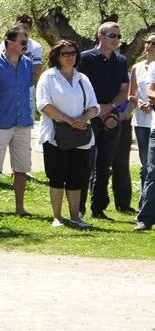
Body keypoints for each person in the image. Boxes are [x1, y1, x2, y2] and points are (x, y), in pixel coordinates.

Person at [36, 40, 99, 228]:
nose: (70, 56)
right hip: (55, 136)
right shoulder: (48, 77)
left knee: (76, 178)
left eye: (72, 53)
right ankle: (57, 217)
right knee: (56, 177)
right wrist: (68, 119)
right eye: (65, 53)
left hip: (80, 137)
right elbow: (43, 105)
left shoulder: (83, 79)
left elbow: (94, 107)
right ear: (57, 56)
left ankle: (75, 217)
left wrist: (83, 118)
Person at [77, 22, 132, 218]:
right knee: (86, 161)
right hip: (89, 115)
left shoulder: (120, 60)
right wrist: (97, 110)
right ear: (100, 36)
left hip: (111, 115)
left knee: (104, 163)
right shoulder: (85, 58)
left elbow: (124, 91)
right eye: (112, 35)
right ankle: (79, 208)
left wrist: (110, 108)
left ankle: (98, 209)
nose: (116, 39)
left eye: (118, 36)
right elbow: (79, 87)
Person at [0, 27, 34, 216]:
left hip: (23, 122)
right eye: (22, 42)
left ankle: (20, 208)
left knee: (21, 167)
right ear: (10, 43)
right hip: (1, 122)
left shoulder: (28, 64)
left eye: (26, 42)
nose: (25, 45)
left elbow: (28, 88)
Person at [131, 37, 155, 203]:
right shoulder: (137, 67)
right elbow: (131, 94)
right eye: (148, 42)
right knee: (144, 165)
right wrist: (139, 102)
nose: (151, 45)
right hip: (141, 121)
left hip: (153, 119)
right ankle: (142, 204)